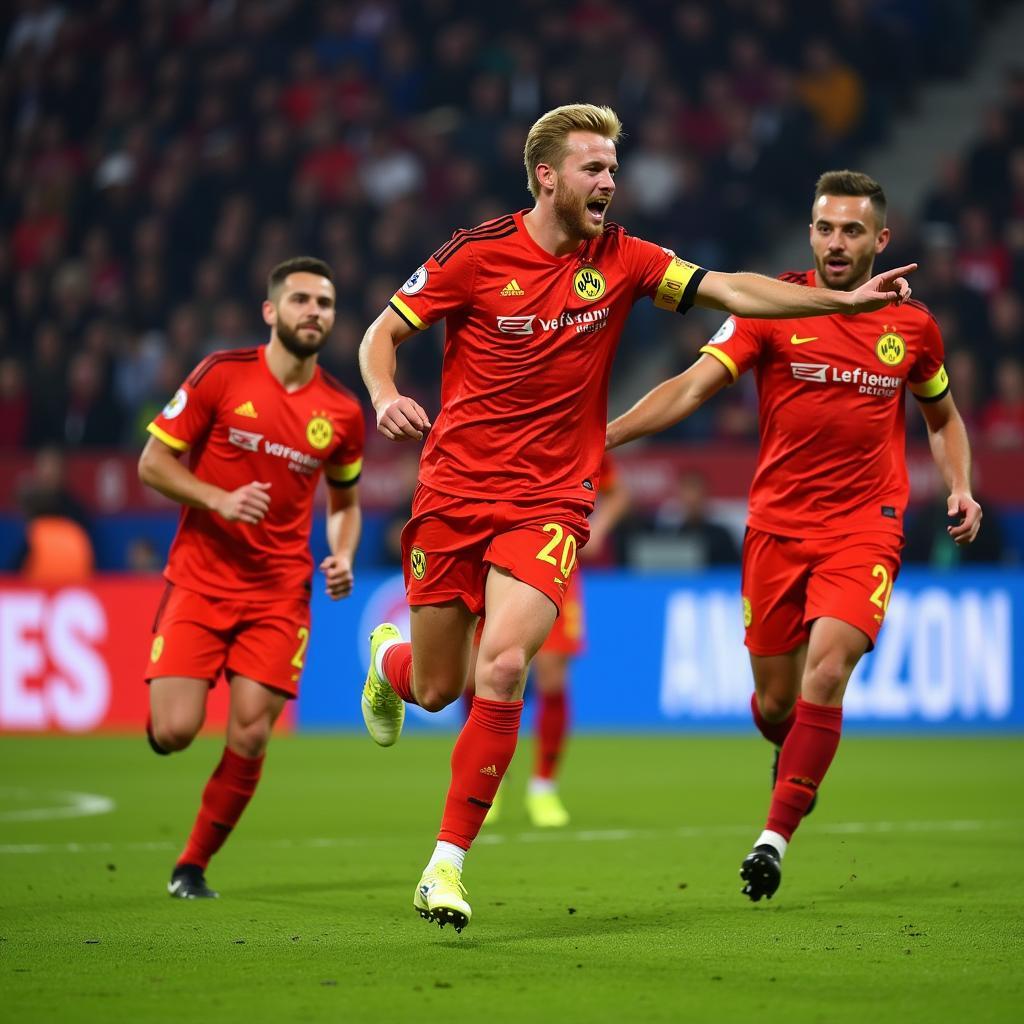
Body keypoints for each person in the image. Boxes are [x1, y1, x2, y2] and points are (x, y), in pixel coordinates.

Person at [357, 106, 915, 933]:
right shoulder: (473, 254)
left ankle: (445, 865)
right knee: (442, 686)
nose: (610, 183)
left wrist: (840, 304)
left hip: (551, 500)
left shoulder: (623, 259)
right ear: (547, 176)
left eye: (614, 169)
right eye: (593, 169)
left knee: (504, 667)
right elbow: (380, 334)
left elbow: (731, 289)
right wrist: (385, 395)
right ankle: (388, 661)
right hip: (454, 494)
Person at [606, 170, 982, 902]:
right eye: (824, 227)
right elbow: (691, 386)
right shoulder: (770, 310)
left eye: (851, 230)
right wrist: (605, 436)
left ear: (881, 240)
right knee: (777, 704)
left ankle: (772, 840)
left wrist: (960, 485)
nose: (836, 242)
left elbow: (942, 417)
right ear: (810, 233)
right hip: (776, 529)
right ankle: (795, 758)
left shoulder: (913, 328)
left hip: (865, 528)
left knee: (829, 671)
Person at [138, 256, 364, 899]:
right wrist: (217, 498)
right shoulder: (220, 375)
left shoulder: (341, 412)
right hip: (201, 579)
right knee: (175, 731)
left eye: (324, 303)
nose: (313, 313)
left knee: (252, 728)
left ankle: (192, 865)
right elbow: (153, 464)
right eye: (300, 301)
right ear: (271, 311)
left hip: (279, 592)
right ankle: (166, 728)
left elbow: (344, 504)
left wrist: (342, 553)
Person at [465, 452, 630, 829]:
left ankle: (543, 787)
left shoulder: (574, 430)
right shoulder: (499, 426)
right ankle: (487, 779)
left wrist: (599, 528)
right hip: (493, 557)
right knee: (473, 679)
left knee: (552, 675)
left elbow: (618, 493)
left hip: (552, 555)